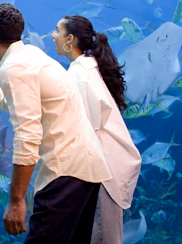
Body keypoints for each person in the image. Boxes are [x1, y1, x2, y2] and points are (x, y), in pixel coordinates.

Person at [0, 3, 111, 244]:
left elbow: (27, 135)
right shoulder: (30, 55)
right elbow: (5, 100)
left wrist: (16, 200)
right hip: (85, 170)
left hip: (65, 172)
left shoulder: (14, 68)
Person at [52, 15, 142, 244]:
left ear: (69, 39)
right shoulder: (87, 69)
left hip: (103, 172)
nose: (52, 36)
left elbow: (86, 130)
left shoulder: (79, 76)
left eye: (57, 31)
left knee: (102, 238)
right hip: (106, 168)